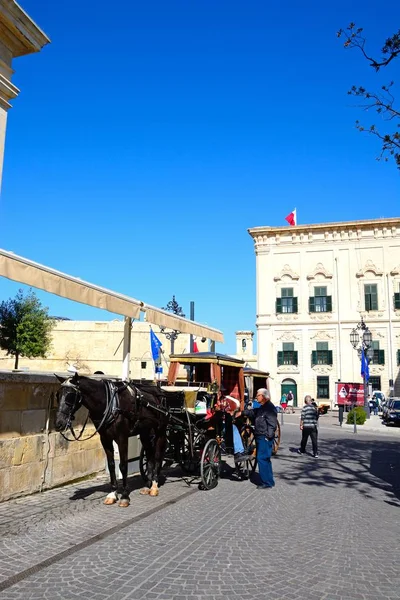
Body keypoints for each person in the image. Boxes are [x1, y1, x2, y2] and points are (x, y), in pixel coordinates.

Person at [237, 388, 278, 489]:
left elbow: (272, 424)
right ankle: (269, 481)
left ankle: (266, 483)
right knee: (265, 459)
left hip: (264, 436)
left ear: (263, 397)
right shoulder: (263, 407)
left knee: (262, 458)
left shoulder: (269, 408)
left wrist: (268, 436)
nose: (256, 397)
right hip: (261, 435)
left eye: (258, 395)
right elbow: (253, 412)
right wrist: (242, 413)